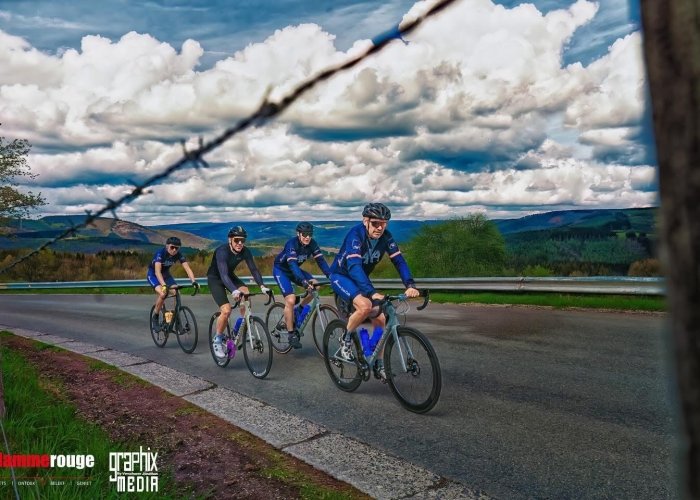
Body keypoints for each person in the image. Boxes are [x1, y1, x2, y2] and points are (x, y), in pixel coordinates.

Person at [328, 203, 419, 379]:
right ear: (365, 221)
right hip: (341, 276)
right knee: (365, 306)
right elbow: (354, 266)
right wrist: (371, 292)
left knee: (381, 318)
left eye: (383, 224)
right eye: (375, 223)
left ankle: (378, 361)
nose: (380, 228)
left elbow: (399, 261)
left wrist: (410, 284)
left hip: (360, 279)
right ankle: (345, 341)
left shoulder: (386, 237)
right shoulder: (355, 235)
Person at [207, 226, 270, 358]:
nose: (240, 243)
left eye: (243, 240)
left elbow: (254, 270)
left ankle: (241, 327)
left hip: (229, 277)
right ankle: (217, 339)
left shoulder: (245, 251)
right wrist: (234, 290)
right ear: (230, 240)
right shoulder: (222, 251)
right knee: (226, 310)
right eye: (237, 240)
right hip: (216, 279)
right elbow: (223, 275)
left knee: (246, 293)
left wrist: (262, 286)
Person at [272, 222, 331, 349]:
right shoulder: (291, 244)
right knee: (291, 300)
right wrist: (303, 281)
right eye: (304, 234)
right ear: (298, 234)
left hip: (295, 271)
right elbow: (293, 265)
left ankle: (299, 309)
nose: (307, 237)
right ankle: (291, 334)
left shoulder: (312, 244)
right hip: (281, 270)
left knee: (316, 286)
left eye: (310, 234)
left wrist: (331, 276)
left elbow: (321, 261)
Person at [147, 236, 199, 330]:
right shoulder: (160, 253)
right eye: (172, 247)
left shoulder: (178, 254)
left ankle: (176, 319)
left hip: (166, 275)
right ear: (167, 246)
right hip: (154, 275)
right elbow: (157, 272)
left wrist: (194, 281)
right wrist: (164, 285)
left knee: (176, 292)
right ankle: (155, 316)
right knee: (163, 293)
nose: (174, 250)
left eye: (177, 248)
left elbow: (187, 268)